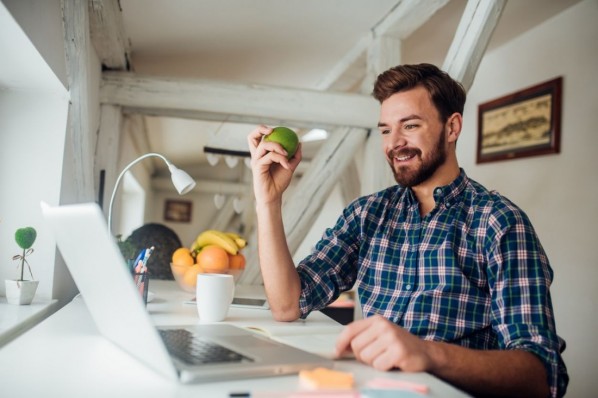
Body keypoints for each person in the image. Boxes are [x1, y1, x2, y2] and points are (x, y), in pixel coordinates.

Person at [247, 63, 568, 398]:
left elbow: (541, 376)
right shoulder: (367, 214)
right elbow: (288, 305)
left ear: (452, 127)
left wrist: (427, 354)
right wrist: (268, 201)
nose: (395, 143)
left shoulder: (499, 222)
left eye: (410, 126)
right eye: (385, 130)